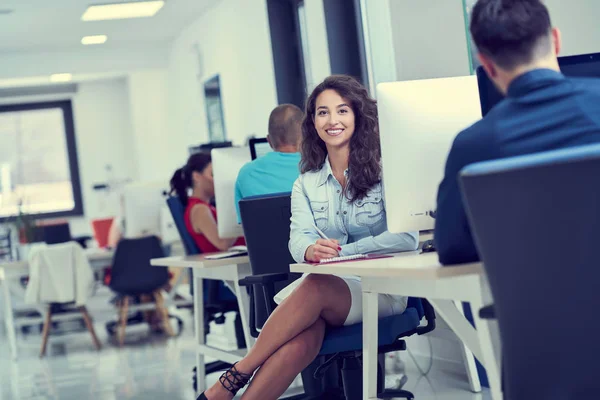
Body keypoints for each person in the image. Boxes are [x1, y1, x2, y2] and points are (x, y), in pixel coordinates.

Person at [197, 75, 418, 400]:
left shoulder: (387, 170)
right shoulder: (306, 183)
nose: (333, 120)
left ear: (357, 115)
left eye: (342, 111)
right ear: (312, 123)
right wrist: (310, 250)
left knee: (316, 284)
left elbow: (406, 240)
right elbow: (296, 241)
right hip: (332, 294)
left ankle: (234, 376)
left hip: (383, 289)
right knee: (303, 339)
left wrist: (344, 253)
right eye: (323, 112)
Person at [435, 0, 600, 265]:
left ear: (487, 65)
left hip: (540, 304)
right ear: (556, 41)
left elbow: (452, 248)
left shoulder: (472, 146)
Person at [234, 104, 303, 222]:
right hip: (314, 240)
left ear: (269, 141)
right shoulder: (318, 167)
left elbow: (245, 226)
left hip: (264, 240)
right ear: (305, 136)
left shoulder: (246, 173)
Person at [169, 152, 245, 253]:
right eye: (213, 174)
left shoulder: (207, 207)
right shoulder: (200, 209)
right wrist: (239, 213)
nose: (218, 179)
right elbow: (223, 244)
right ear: (196, 176)